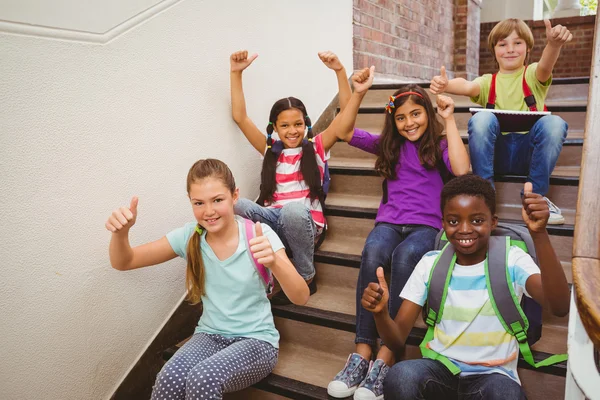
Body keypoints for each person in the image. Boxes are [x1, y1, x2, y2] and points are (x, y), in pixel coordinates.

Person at [105, 158, 310, 399]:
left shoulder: (258, 234)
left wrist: (275, 262)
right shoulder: (190, 236)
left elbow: (301, 296)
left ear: (235, 196)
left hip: (257, 342)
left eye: (218, 200)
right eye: (199, 203)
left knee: (203, 378)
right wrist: (121, 234)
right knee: (168, 379)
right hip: (209, 336)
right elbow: (124, 261)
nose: (209, 211)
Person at [361, 174, 570, 399]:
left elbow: (559, 306)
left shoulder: (512, 259)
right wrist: (381, 314)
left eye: (477, 220)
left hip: (493, 376)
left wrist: (539, 235)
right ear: (443, 223)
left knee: (507, 394)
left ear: (494, 222)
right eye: (453, 221)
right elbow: (396, 339)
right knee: (401, 376)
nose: (464, 229)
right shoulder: (430, 263)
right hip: (440, 370)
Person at [327, 84, 470, 400]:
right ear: (393, 121)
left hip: (426, 226)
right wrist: (359, 93)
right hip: (389, 223)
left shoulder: (440, 145)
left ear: (426, 114)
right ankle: (362, 351)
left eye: (416, 114)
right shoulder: (388, 146)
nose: (409, 123)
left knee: (406, 256)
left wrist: (448, 119)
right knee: (374, 249)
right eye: (401, 117)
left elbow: (463, 170)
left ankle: (387, 357)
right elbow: (343, 130)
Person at [230, 49, 365, 304]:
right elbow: (240, 117)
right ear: (275, 129)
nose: (292, 131)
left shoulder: (316, 147)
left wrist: (340, 72)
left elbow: (346, 120)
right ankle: (258, 276)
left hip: (304, 222)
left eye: (298, 124)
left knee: (292, 210)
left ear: (306, 124)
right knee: (236, 204)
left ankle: (305, 276)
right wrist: (236, 73)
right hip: (273, 221)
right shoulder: (270, 152)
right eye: (285, 126)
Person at [430, 18, 573, 224]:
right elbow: (467, 85)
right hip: (496, 156)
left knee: (555, 123)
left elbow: (545, 66)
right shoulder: (488, 82)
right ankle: (484, 196)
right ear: (494, 50)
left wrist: (553, 44)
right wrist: (446, 84)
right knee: (482, 118)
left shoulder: (532, 75)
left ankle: (535, 198)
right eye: (503, 44)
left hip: (528, 155)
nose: (510, 49)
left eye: (517, 43)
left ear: (528, 48)